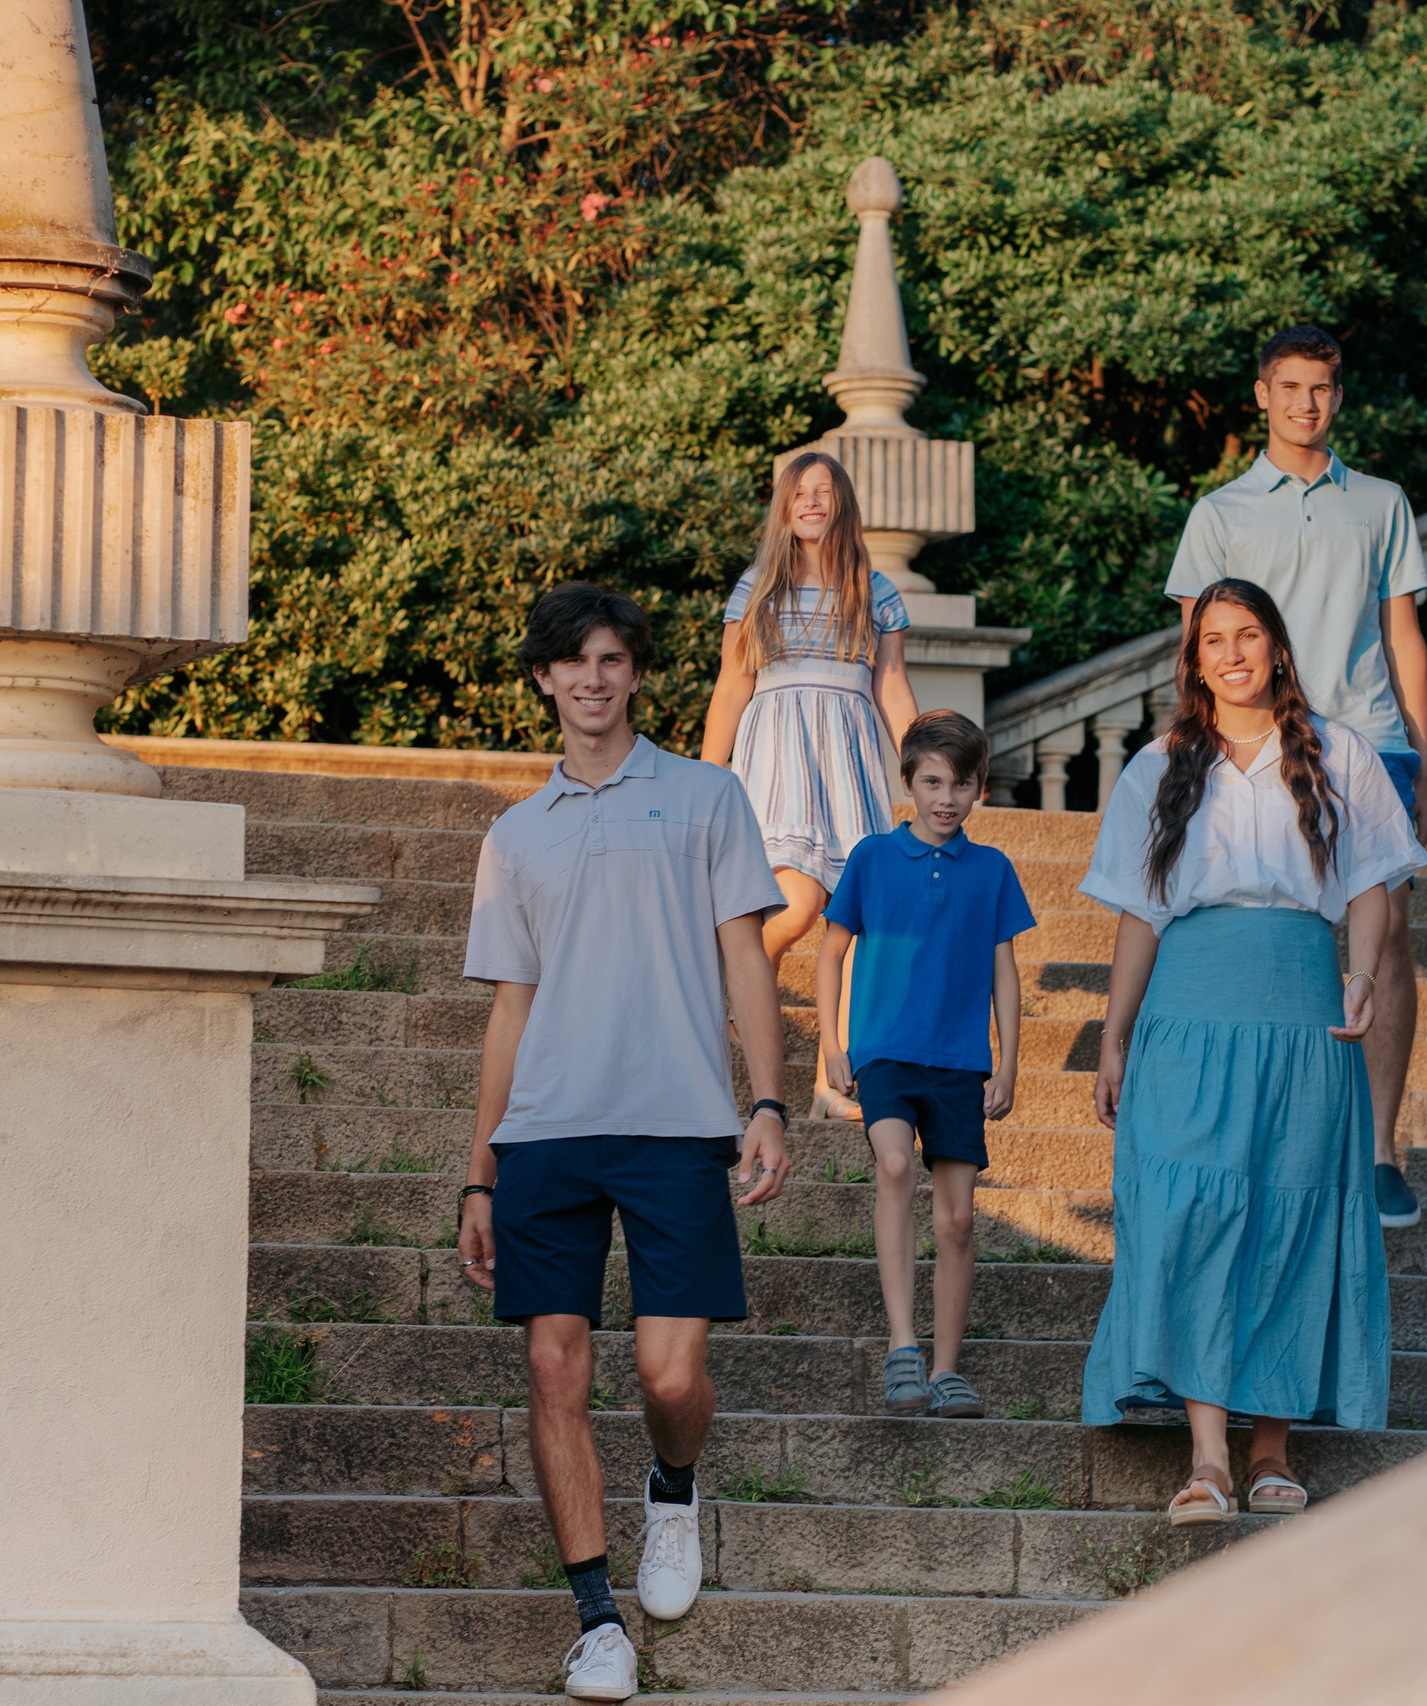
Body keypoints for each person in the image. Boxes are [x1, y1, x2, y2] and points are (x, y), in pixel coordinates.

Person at [456, 583, 794, 1702]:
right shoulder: (515, 832)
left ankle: (674, 1480)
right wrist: (478, 1167)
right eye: (572, 663)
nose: (592, 678)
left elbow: (746, 954)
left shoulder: (704, 797)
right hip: (547, 1130)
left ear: (635, 672)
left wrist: (767, 1099)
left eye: (611, 659)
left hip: (674, 1120)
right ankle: (596, 1618)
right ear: (544, 680)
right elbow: (509, 1007)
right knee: (553, 1363)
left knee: (668, 1370)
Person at [1078, 578, 1427, 1527]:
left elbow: (1368, 889)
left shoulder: (1342, 755)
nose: (1231, 653)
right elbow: (1141, 917)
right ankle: (1205, 1457)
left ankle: (1270, 1450)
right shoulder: (1157, 766)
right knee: (1190, 1212)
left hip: (1304, 1009)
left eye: (1248, 635)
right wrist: (1113, 1038)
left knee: (1289, 1217)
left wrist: (1359, 975)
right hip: (1190, 1008)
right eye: (1212, 641)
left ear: (1277, 644)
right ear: (1194, 661)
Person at [1165, 324, 1427, 1229]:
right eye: (1290, 388)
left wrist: (1426, 761)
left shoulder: (1382, 503)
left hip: (1371, 734)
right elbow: (1197, 646)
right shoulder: (1220, 515)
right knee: (1281, 925)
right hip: (1259, 738)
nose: (1306, 404)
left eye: (1320, 388)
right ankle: (1289, 1128)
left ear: (1337, 396)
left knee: (1388, 925)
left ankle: (1381, 1150)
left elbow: (1402, 634)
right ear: (1262, 395)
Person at [813, 710, 1035, 1420]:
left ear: (979, 791)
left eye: (961, 784)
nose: (946, 797)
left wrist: (1008, 1063)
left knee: (960, 1219)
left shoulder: (993, 870)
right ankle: (902, 1346)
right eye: (933, 781)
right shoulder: (872, 858)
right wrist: (832, 1043)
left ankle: (945, 1369)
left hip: (960, 1062)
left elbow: (1005, 972)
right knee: (896, 1165)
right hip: (884, 1052)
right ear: (908, 781)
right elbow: (829, 951)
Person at [701, 450, 922, 969]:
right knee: (797, 906)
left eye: (823, 490)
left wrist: (923, 765)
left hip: (849, 763)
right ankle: (733, 979)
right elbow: (733, 686)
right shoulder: (757, 586)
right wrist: (708, 775)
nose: (811, 501)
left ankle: (839, 1052)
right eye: (798, 492)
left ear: (842, 502)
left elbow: (891, 689)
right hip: (780, 759)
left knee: (854, 929)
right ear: (783, 507)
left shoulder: (874, 589)